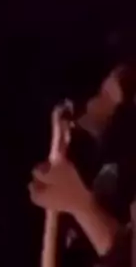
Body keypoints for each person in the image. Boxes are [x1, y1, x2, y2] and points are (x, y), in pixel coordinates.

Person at [29, 42, 136, 266]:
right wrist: (57, 159)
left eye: (103, 95)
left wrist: (80, 205)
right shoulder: (98, 169)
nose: (91, 103)